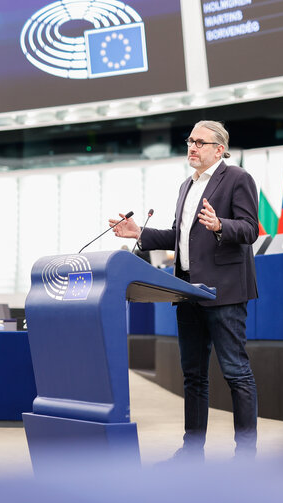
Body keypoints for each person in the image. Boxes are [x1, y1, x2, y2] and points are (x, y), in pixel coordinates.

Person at [109, 120, 259, 460]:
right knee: (193, 375)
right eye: (190, 141)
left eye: (200, 142)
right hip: (187, 291)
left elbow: (250, 229)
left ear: (219, 149)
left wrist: (221, 225)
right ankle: (192, 451)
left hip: (224, 293)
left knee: (236, 373)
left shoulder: (237, 178)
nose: (192, 147)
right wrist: (138, 233)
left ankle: (246, 456)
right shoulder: (186, 186)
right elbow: (179, 234)